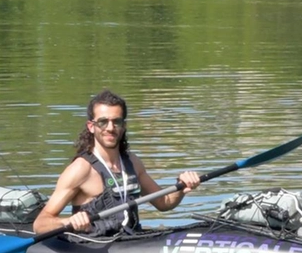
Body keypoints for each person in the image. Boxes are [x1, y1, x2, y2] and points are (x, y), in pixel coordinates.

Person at [34, 90, 201, 237]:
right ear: (91, 126)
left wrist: (181, 187)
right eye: (103, 122)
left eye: (116, 122)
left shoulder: (132, 163)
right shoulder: (80, 169)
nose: (110, 128)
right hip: (92, 245)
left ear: (124, 126)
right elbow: (40, 224)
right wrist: (68, 221)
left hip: (130, 239)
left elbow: (164, 203)